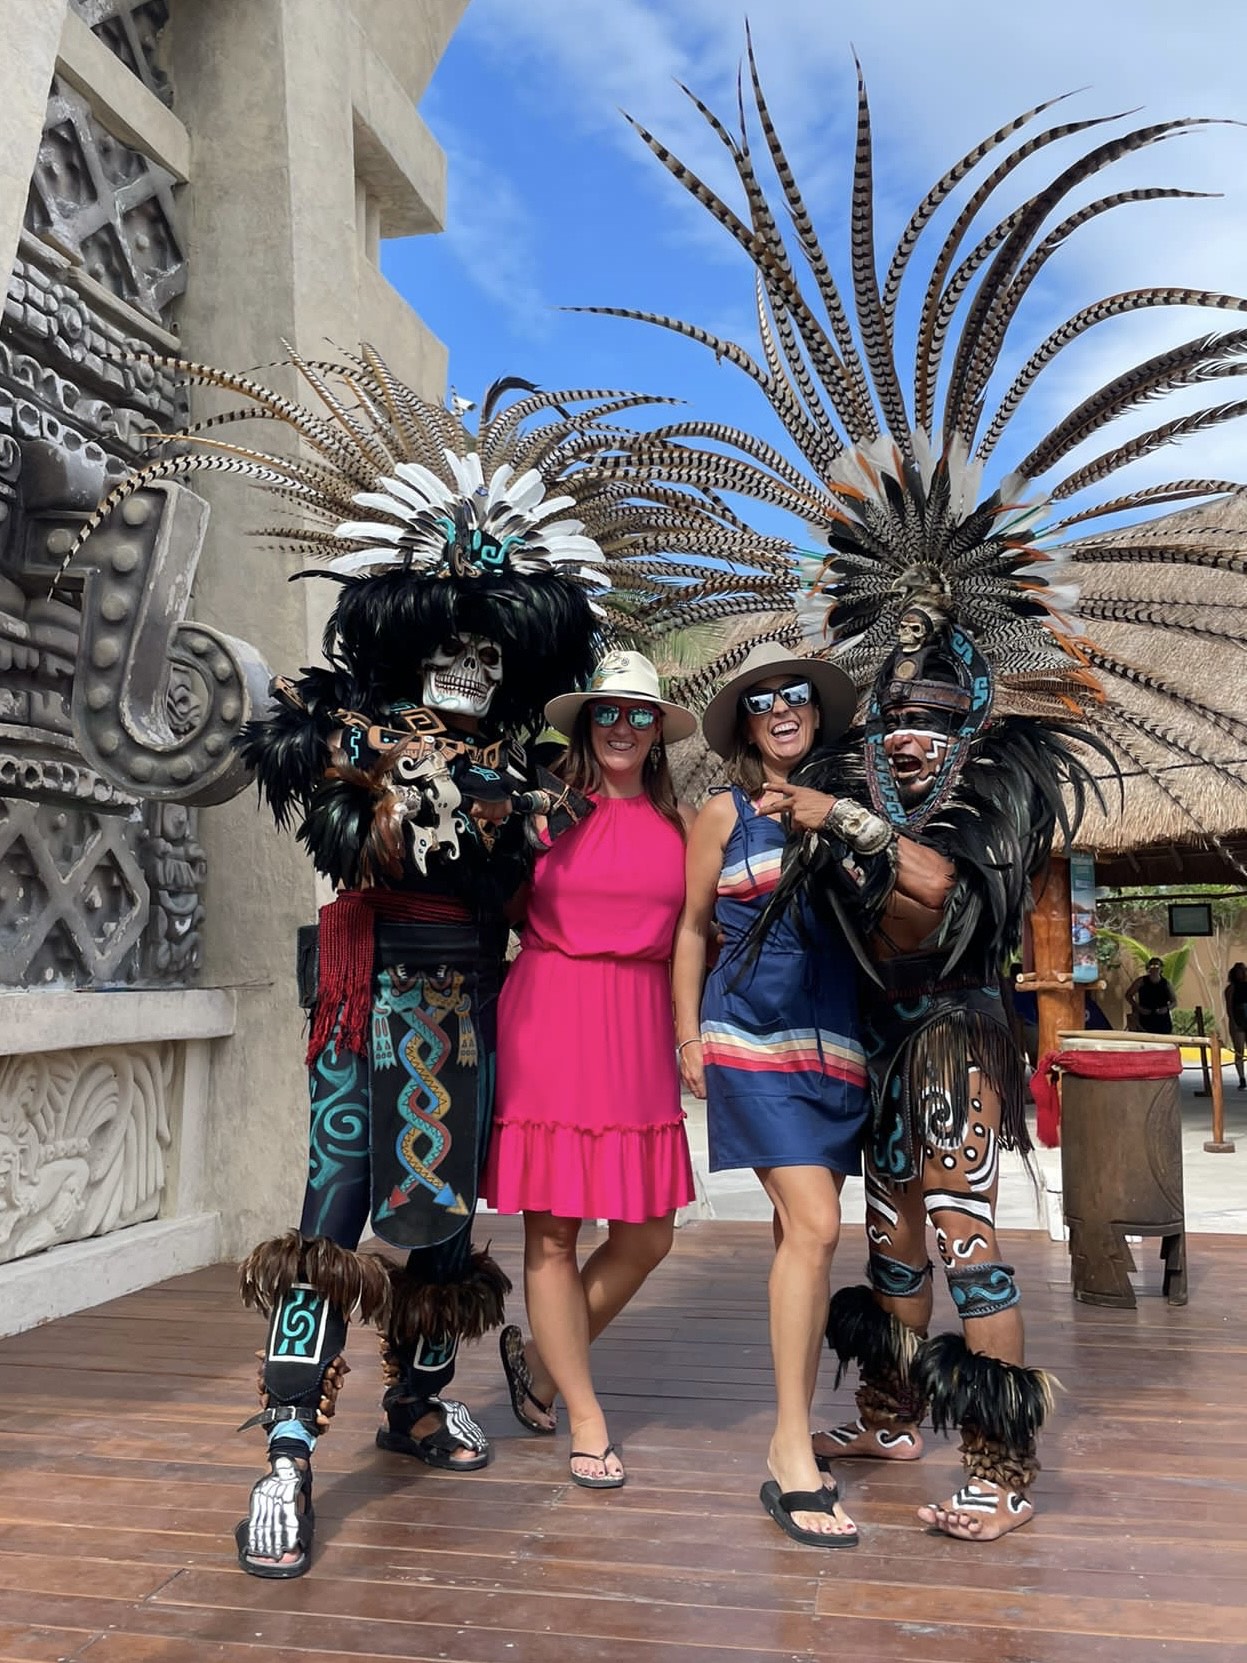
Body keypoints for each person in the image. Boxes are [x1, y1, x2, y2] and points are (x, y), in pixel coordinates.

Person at [65, 351, 784, 1578]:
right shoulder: (347, 735)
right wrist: (392, 786)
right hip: (369, 994)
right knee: (334, 1208)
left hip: (477, 1006)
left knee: (447, 1211)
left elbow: (585, 877)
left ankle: (416, 1397)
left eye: (489, 655)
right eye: (447, 648)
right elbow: (323, 803)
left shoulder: (533, 778)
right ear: (404, 641)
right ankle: (286, 1447)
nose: (468, 668)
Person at [482, 651, 698, 1490]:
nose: (622, 727)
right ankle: (584, 1412)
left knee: (647, 1234)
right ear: (584, 723)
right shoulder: (545, 815)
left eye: (640, 714)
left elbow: (701, 933)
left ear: (658, 731)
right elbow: (500, 908)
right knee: (554, 1233)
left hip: (638, 1024)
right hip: (551, 1012)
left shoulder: (683, 826)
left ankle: (541, 1363)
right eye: (608, 711)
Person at [671, 641, 869, 1549]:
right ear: (746, 726)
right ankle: (790, 1441)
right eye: (762, 701)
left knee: (802, 1235)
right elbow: (691, 928)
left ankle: (797, 1427)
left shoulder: (852, 807)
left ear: (816, 712)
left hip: (836, 1043)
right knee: (817, 1226)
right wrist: (686, 1034)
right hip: (749, 1032)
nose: (781, 709)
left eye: (795, 694)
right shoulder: (723, 812)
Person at [1127, 959, 1178, 1035]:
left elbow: (1174, 1002)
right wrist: (1138, 1008)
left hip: (1162, 1020)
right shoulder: (1141, 981)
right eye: (1152, 966)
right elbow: (1128, 995)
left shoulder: (1166, 983)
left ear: (1161, 968)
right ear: (1148, 968)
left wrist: (1166, 1009)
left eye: (1157, 966)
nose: (1155, 968)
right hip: (1145, 1018)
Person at [1224, 963, 1247, 1089]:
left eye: (1243, 971)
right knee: (1239, 1051)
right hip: (1238, 1020)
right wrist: (1233, 1022)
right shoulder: (1231, 988)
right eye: (1239, 971)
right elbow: (1229, 1007)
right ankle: (1242, 1078)